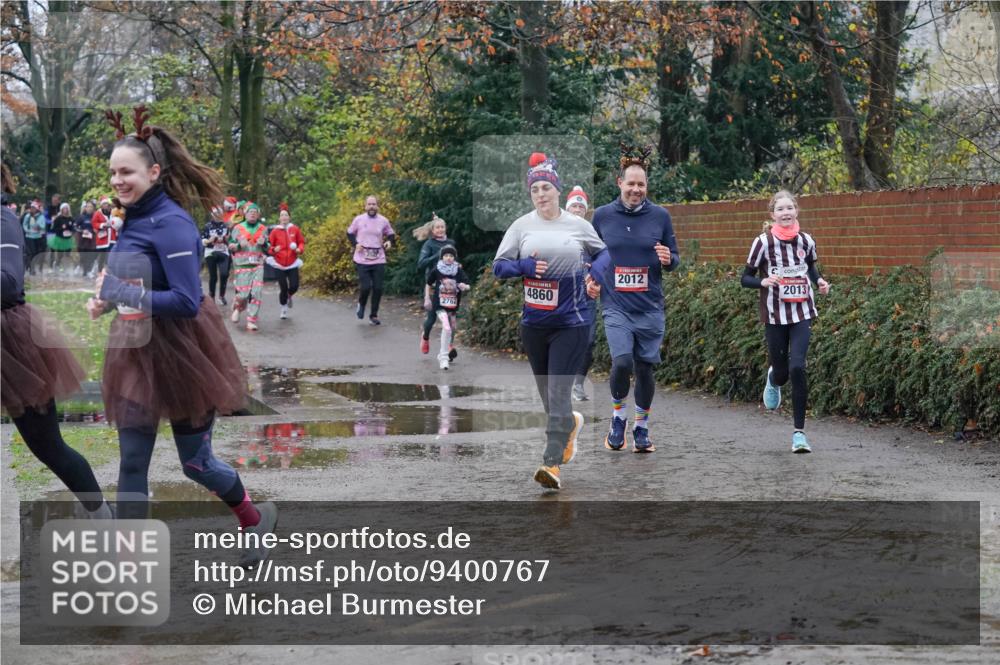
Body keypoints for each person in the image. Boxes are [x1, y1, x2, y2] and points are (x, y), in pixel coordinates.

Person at [89, 107, 276, 564]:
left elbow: (187, 301)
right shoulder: (133, 215)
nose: (117, 180)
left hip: (182, 351)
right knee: (133, 462)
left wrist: (117, 289)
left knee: (197, 465)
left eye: (126, 172)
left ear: (153, 172)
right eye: (113, 172)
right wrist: (108, 300)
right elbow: (138, 278)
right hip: (135, 350)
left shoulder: (172, 223)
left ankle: (254, 518)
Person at [1, 163, 112, 518]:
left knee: (48, 446)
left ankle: (101, 516)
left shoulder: (4, 219)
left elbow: (8, 283)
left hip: (10, 345)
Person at [493, 153, 609, 490]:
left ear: (557, 190)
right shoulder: (522, 226)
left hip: (570, 323)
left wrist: (596, 277)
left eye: (546, 187)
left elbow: (604, 254)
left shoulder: (578, 226)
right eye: (535, 189)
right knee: (550, 398)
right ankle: (569, 424)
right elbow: (499, 267)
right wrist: (524, 268)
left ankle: (551, 463)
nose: (541, 194)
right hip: (534, 325)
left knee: (558, 392)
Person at [589, 146, 680, 454]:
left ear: (647, 186)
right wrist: (590, 278)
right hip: (615, 305)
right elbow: (589, 255)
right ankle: (618, 418)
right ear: (620, 183)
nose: (636, 190)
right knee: (622, 361)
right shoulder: (601, 217)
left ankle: (641, 427)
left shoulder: (660, 216)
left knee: (644, 368)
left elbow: (675, 258)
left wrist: (668, 259)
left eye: (641, 184)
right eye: (631, 183)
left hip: (650, 305)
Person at [740, 189, 830, 453]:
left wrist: (820, 281)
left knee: (798, 367)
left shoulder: (806, 241)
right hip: (775, 315)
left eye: (789, 208)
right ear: (772, 215)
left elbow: (811, 269)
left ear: (796, 211)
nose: (786, 213)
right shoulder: (763, 243)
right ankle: (772, 377)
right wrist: (763, 281)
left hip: (803, 312)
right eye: (780, 209)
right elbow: (745, 278)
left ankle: (799, 434)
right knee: (782, 373)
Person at [565, 186, 596, 402]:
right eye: (574, 205)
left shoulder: (592, 233)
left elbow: (604, 258)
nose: (577, 209)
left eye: (580, 206)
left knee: (589, 339)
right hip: (565, 295)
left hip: (588, 294)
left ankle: (578, 383)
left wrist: (594, 273)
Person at [347, 195, 394, 325]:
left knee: (378, 288)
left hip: (378, 258)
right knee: (366, 287)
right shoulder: (359, 219)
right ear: (365, 206)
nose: (372, 206)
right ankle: (361, 305)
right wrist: (355, 244)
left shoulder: (383, 220)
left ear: (377, 206)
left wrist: (389, 242)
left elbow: (390, 234)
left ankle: (373, 315)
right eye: (369, 204)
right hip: (362, 259)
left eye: (374, 204)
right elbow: (350, 233)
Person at [425, 245, 470, 370]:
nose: (449, 258)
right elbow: (428, 283)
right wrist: (427, 298)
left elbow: (467, 284)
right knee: (446, 327)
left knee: (451, 329)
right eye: (446, 256)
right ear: (442, 257)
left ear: (454, 258)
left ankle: (442, 355)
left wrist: (464, 286)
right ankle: (444, 358)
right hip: (439, 304)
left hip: (452, 305)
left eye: (451, 256)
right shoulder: (437, 269)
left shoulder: (458, 270)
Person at [413, 213, 451, 353]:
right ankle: (426, 336)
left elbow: (454, 260)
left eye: (442, 227)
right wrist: (437, 255)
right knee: (432, 317)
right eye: (437, 228)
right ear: (432, 231)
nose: (440, 230)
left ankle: (449, 347)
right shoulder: (429, 244)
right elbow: (421, 264)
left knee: (450, 316)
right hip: (433, 284)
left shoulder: (450, 243)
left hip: (449, 285)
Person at [228, 201, 268, 331]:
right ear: (245, 214)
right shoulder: (238, 228)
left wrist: (264, 244)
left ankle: (252, 320)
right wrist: (238, 245)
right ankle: (237, 308)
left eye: (255, 213)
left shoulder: (263, 229)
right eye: (250, 212)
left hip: (258, 264)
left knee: (256, 292)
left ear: (258, 215)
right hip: (242, 264)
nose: (253, 214)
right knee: (243, 294)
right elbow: (231, 245)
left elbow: (268, 247)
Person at [266, 203, 305, 320]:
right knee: (283, 286)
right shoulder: (274, 231)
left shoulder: (295, 229)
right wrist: (274, 249)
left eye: (286, 215)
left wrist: (299, 249)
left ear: (289, 217)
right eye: (282, 215)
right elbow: (268, 247)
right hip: (279, 263)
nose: (284, 217)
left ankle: (289, 296)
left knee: (294, 286)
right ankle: (283, 308)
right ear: (279, 218)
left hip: (292, 262)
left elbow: (301, 242)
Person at [201, 205, 231, 306]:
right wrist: (209, 240)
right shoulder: (207, 226)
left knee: (224, 274)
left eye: (219, 213)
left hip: (223, 251)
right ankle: (212, 296)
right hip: (210, 252)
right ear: (212, 214)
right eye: (215, 213)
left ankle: (222, 296)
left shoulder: (226, 226)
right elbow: (202, 240)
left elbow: (231, 240)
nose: (217, 215)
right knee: (213, 276)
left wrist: (225, 240)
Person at [21, 199, 46, 275]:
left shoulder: (41, 217)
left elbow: (43, 226)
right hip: (29, 236)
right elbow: (24, 225)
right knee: (31, 252)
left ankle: (35, 266)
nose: (32, 209)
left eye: (34, 208)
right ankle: (31, 268)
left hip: (38, 236)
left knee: (36, 253)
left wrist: (39, 226)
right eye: (32, 208)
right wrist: (27, 230)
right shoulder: (27, 216)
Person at [47, 202, 76, 271]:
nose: (65, 210)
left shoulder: (71, 219)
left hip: (68, 238)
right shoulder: (58, 218)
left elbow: (73, 228)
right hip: (59, 238)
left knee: (66, 253)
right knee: (59, 253)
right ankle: (55, 265)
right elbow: (54, 228)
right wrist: (61, 229)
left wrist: (71, 231)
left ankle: (61, 264)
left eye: (67, 208)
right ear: (61, 210)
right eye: (64, 209)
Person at [91, 196, 116, 273]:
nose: (106, 205)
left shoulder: (113, 212)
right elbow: (94, 223)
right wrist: (102, 225)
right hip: (102, 238)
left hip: (112, 237)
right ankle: (99, 271)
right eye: (104, 204)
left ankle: (109, 272)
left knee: (110, 256)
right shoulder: (98, 213)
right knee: (101, 256)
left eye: (107, 204)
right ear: (101, 205)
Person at [75, 200, 97, 276]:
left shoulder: (96, 216)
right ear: (85, 208)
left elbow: (99, 226)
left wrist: (94, 230)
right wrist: (82, 231)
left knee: (91, 255)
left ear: (94, 208)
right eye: (87, 206)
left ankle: (88, 270)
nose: (89, 208)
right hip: (83, 240)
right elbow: (75, 226)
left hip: (92, 239)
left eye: (91, 207)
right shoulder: (82, 217)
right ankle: (84, 271)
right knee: (83, 255)